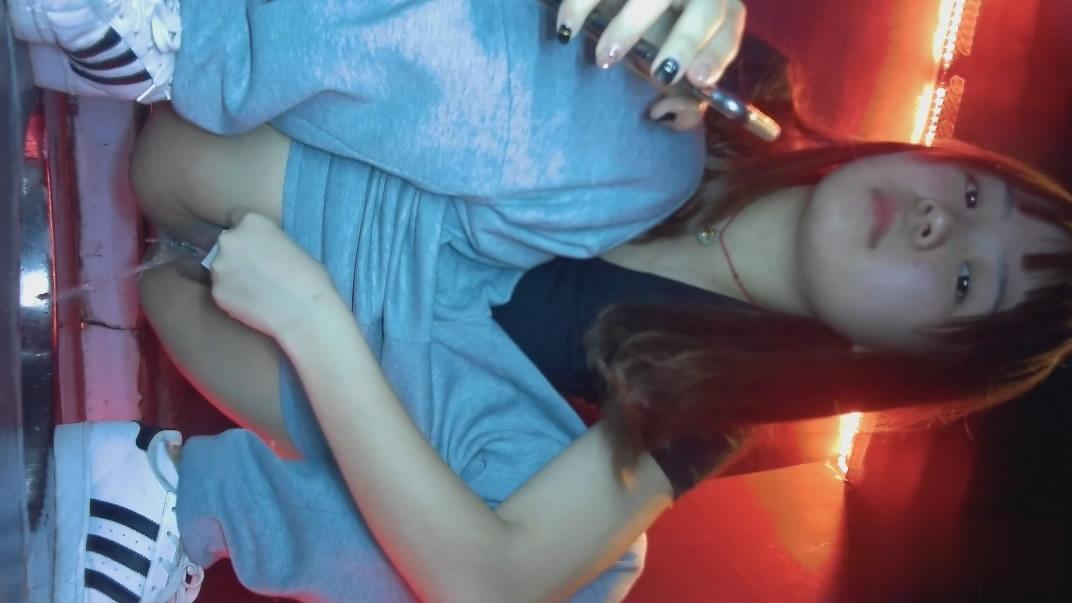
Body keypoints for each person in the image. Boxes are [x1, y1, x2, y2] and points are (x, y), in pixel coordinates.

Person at [10, 1, 1071, 603]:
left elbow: (489, 582)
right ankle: (181, 20)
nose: (937, 226)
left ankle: (171, 507)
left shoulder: (709, 410)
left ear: (896, 352)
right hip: (252, 133)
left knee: (592, 572)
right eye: (974, 197)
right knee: (645, 149)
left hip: (249, 319)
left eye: (964, 281)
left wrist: (312, 322)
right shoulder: (726, 77)